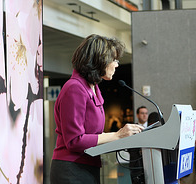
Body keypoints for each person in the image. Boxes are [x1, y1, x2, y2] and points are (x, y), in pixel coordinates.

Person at [50, 34, 144, 184]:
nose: (117, 64)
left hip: (87, 166)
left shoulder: (93, 88)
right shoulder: (75, 88)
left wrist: (123, 137)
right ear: (100, 60)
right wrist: (117, 135)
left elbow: (94, 135)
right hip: (71, 170)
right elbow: (74, 141)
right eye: (114, 60)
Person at [129, 106, 148, 184]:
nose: (144, 115)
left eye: (146, 113)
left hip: (150, 164)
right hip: (136, 165)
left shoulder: (153, 129)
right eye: (142, 113)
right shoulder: (132, 128)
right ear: (137, 115)